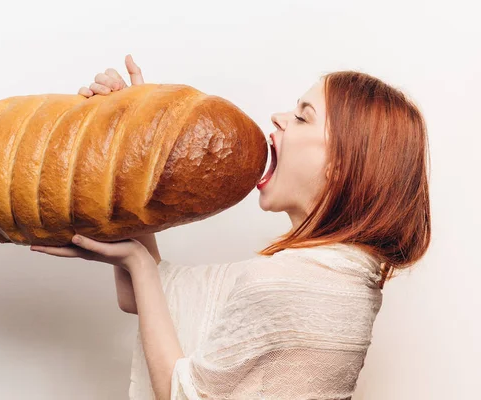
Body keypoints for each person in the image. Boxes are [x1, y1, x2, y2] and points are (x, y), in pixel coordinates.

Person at [31, 54, 431, 399]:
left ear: (342, 164)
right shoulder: (327, 278)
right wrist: (141, 141)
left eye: (302, 117)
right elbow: (152, 299)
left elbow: (183, 393)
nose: (278, 118)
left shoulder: (300, 287)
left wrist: (138, 261)